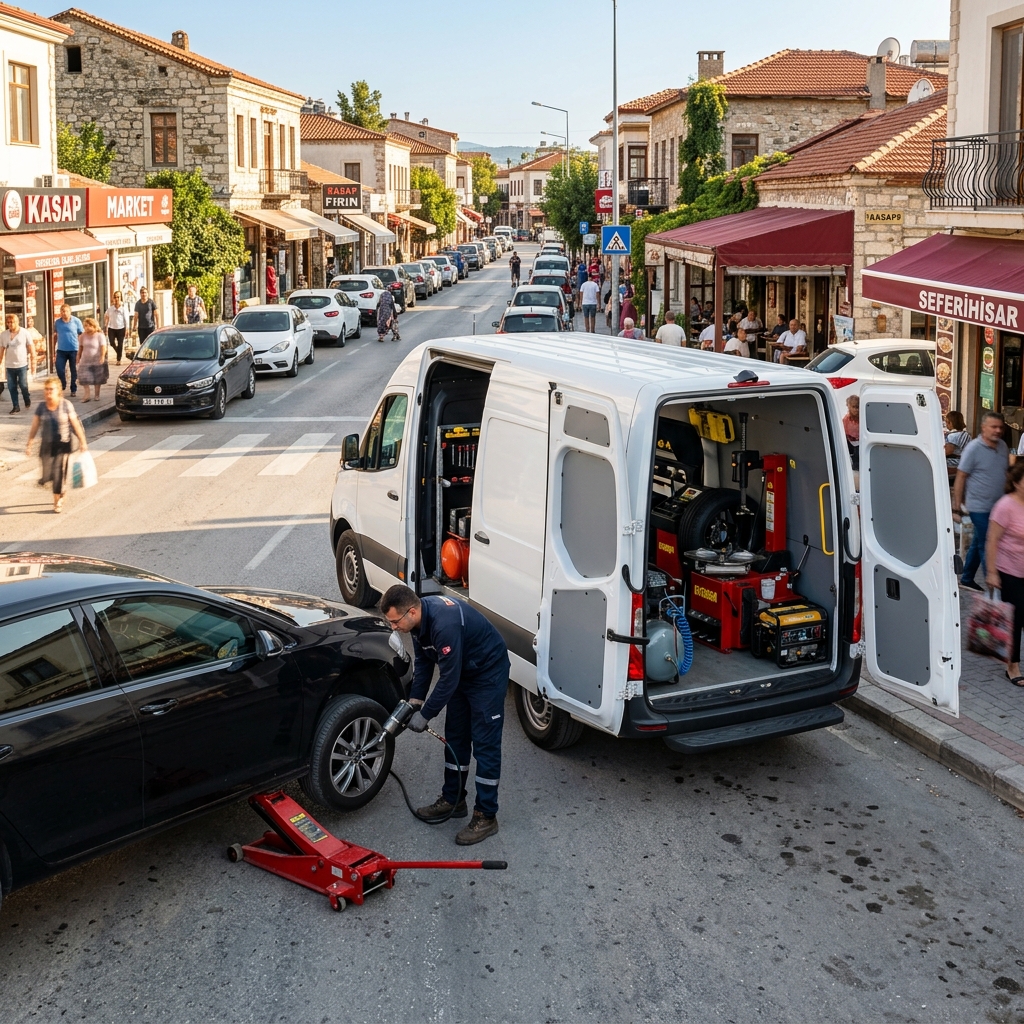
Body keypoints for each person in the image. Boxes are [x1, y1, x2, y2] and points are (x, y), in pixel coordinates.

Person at [380, 585, 510, 845]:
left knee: (484, 745)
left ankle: (486, 815)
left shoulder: (444, 624)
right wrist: (415, 702)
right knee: (456, 737)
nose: (393, 627)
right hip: (463, 672)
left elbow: (448, 679)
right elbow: (425, 662)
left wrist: (426, 714)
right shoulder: (418, 624)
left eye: (395, 621)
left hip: (487, 674)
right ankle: (454, 799)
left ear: (411, 611)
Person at [955, 410, 1011, 591]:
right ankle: (994, 589)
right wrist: (956, 507)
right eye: (993, 427)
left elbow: (1005, 473)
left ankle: (967, 578)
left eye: (1000, 427)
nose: (998, 431)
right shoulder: (973, 449)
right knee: (988, 543)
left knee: (979, 541)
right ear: (983, 427)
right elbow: (961, 477)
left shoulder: (1003, 446)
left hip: (998, 506)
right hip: (978, 506)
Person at [24, 375, 88, 513]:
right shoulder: (41, 407)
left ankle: (57, 500)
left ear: (58, 391)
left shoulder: (66, 405)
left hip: (63, 444)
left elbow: (75, 424)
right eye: (46, 389)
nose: (48, 392)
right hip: (47, 445)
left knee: (58, 471)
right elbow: (35, 426)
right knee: (48, 474)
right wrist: (29, 443)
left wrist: (83, 441)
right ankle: (60, 488)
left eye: (51, 389)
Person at [986, 461, 1024, 686]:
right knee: (1016, 618)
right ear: (1017, 483)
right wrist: (991, 572)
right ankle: (1012, 666)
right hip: (1009, 570)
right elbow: (992, 540)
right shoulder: (1005, 505)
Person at [0, 312, 36, 414]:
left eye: (12, 322)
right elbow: (1, 349)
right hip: (9, 365)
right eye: (8, 322)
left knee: (23, 385)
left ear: (17, 322)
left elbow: (31, 347)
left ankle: (26, 398)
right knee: (11, 387)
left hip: (22, 365)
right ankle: (16, 406)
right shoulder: (4, 335)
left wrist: (33, 360)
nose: (10, 324)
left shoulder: (24, 333)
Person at [53, 303, 83, 397]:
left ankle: (73, 389)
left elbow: (81, 335)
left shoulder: (76, 321)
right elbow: (55, 335)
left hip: (73, 349)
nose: (64, 313)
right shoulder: (57, 323)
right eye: (62, 311)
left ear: (70, 312)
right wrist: (53, 349)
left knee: (73, 370)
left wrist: (81, 349)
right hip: (61, 350)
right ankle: (63, 383)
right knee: (59, 368)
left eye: (66, 311)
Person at [76, 317, 108, 403]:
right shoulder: (82, 336)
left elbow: (103, 347)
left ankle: (97, 395)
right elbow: (80, 347)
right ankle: (87, 395)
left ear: (94, 326)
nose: (87, 328)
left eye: (89, 326)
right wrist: (78, 356)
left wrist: (102, 356)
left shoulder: (100, 335)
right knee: (83, 378)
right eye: (85, 326)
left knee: (97, 378)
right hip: (85, 361)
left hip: (97, 360)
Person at [104, 291, 128, 364]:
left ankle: (118, 359)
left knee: (120, 344)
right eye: (115, 297)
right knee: (111, 342)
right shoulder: (110, 309)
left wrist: (127, 329)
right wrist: (106, 326)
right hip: (112, 328)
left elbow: (126, 320)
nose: (116, 299)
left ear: (121, 298)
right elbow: (106, 316)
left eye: (118, 297)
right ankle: (118, 352)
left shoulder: (123, 309)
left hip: (121, 328)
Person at [945, 410, 971, 479]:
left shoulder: (952, 436)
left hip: (953, 464)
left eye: (947, 422)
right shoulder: (966, 435)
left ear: (951, 423)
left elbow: (948, 451)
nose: (946, 424)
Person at [843, 394, 860, 470]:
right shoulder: (846, 419)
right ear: (849, 406)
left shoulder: (863, 417)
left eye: (857, 407)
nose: (856, 410)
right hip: (850, 442)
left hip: (861, 443)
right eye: (853, 407)